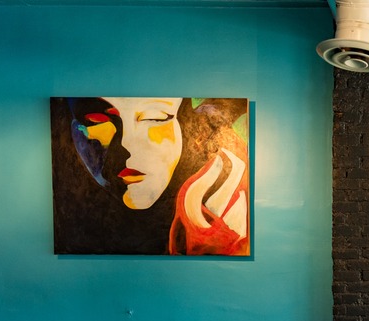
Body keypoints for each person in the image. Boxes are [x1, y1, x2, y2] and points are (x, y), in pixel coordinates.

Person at [51, 96, 249, 256]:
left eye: (155, 118)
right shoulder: (67, 221)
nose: (127, 144)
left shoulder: (225, 192)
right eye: (97, 121)